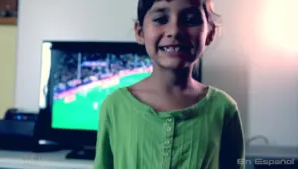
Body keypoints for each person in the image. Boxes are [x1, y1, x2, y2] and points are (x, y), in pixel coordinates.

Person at [94, 0, 245, 168]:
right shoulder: (114, 106)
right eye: (160, 19)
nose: (174, 31)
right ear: (140, 31)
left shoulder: (224, 109)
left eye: (189, 20)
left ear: (210, 32)